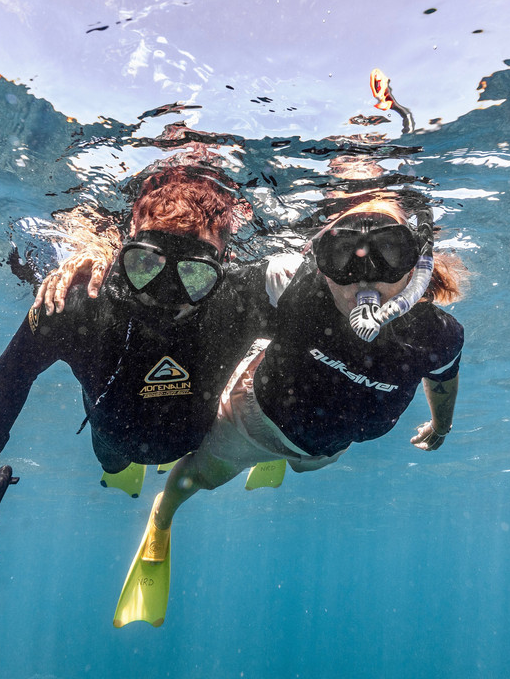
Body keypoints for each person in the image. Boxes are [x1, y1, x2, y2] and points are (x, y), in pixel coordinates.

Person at [112, 195, 467, 626]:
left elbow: (443, 379)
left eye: (389, 251)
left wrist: (441, 425)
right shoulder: (290, 279)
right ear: (320, 259)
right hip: (251, 421)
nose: (363, 276)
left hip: (325, 448)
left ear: (416, 264)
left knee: (307, 464)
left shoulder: (438, 335)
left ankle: (281, 459)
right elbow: (196, 291)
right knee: (196, 479)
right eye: (343, 254)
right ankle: (161, 520)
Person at [0, 165, 282, 557]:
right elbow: (9, 379)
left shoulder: (242, 297)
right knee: (114, 464)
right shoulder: (78, 302)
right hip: (114, 439)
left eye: (193, 274)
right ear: (126, 245)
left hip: (199, 436)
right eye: (146, 266)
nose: (165, 293)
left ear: (226, 262)